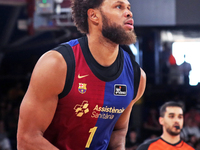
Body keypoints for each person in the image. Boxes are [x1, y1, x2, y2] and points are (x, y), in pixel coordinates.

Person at [17, 0, 146, 149]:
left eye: (129, 7)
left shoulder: (137, 77)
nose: (129, 12)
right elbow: (27, 139)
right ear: (94, 16)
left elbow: (118, 130)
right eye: (119, 6)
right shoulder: (57, 64)